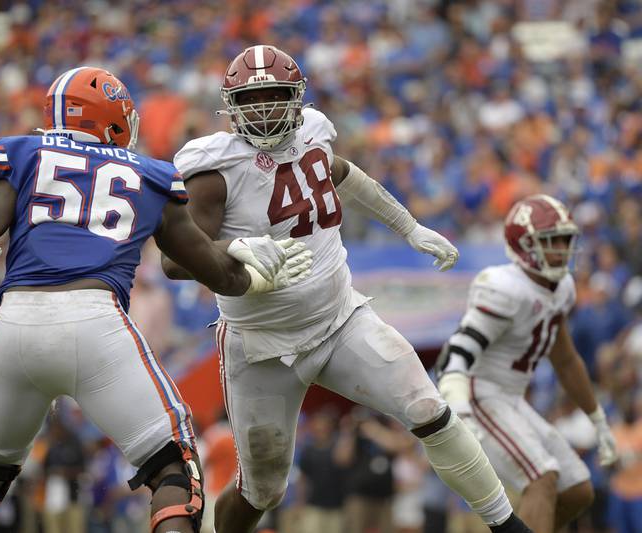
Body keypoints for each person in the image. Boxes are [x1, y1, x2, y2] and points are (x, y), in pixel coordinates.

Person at [0, 66, 313, 533]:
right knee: (172, 466)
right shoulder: (149, 174)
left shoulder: (24, 153)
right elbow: (215, 275)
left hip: (14, 326)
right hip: (96, 324)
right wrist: (250, 271)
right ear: (113, 119)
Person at [162, 45, 531, 533]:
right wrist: (235, 247)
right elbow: (173, 261)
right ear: (230, 105)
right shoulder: (214, 167)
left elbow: (346, 177)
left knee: (429, 409)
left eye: (275, 95)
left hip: (340, 320)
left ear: (297, 98)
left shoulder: (313, 132)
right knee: (263, 491)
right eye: (254, 99)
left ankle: (507, 526)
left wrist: (410, 227)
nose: (267, 109)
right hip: (261, 346)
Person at [436, 194, 619, 533]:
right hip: (479, 395)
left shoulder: (562, 287)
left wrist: (597, 417)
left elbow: (565, 360)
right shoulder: (504, 287)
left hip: (512, 398)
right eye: (552, 241)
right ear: (524, 246)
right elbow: (456, 353)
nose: (563, 248)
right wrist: (459, 409)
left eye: (566, 239)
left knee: (578, 489)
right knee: (542, 478)